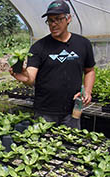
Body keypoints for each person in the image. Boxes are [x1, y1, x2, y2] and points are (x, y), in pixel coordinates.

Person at [10, 0, 95, 129]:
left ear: (68, 19)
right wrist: (25, 78)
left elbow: (89, 70)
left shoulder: (83, 44)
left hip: (72, 111)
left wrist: (87, 92)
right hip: (45, 112)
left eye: (58, 19)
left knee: (71, 146)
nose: (53, 24)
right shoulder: (38, 47)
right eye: (50, 21)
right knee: (44, 147)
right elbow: (31, 76)